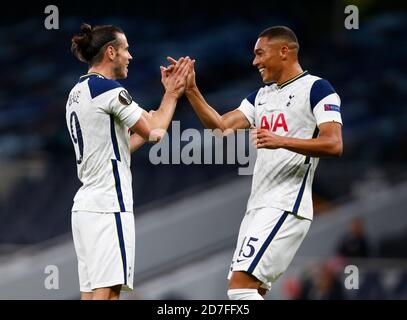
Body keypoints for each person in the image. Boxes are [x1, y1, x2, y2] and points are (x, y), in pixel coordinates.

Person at [165, 26, 343, 300]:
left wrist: (281, 140)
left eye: (260, 53)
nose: (255, 61)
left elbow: (334, 144)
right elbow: (221, 127)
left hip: (287, 204)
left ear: (284, 51)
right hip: (258, 206)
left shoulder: (318, 89)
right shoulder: (261, 96)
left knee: (240, 290)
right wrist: (191, 90)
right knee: (251, 291)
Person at [66, 23, 192, 300]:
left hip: (85, 207)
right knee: (108, 292)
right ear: (111, 52)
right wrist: (171, 94)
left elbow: (119, 146)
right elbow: (156, 131)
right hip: (108, 204)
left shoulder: (76, 94)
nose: (130, 56)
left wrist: (144, 130)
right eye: (125, 49)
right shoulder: (109, 90)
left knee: (95, 294)